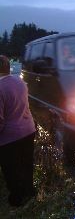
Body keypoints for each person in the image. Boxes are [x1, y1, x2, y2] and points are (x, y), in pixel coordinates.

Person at [0, 55, 36, 207]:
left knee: (11, 169)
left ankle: (17, 199)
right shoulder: (20, 82)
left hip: (9, 137)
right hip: (28, 130)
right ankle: (30, 192)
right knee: (27, 163)